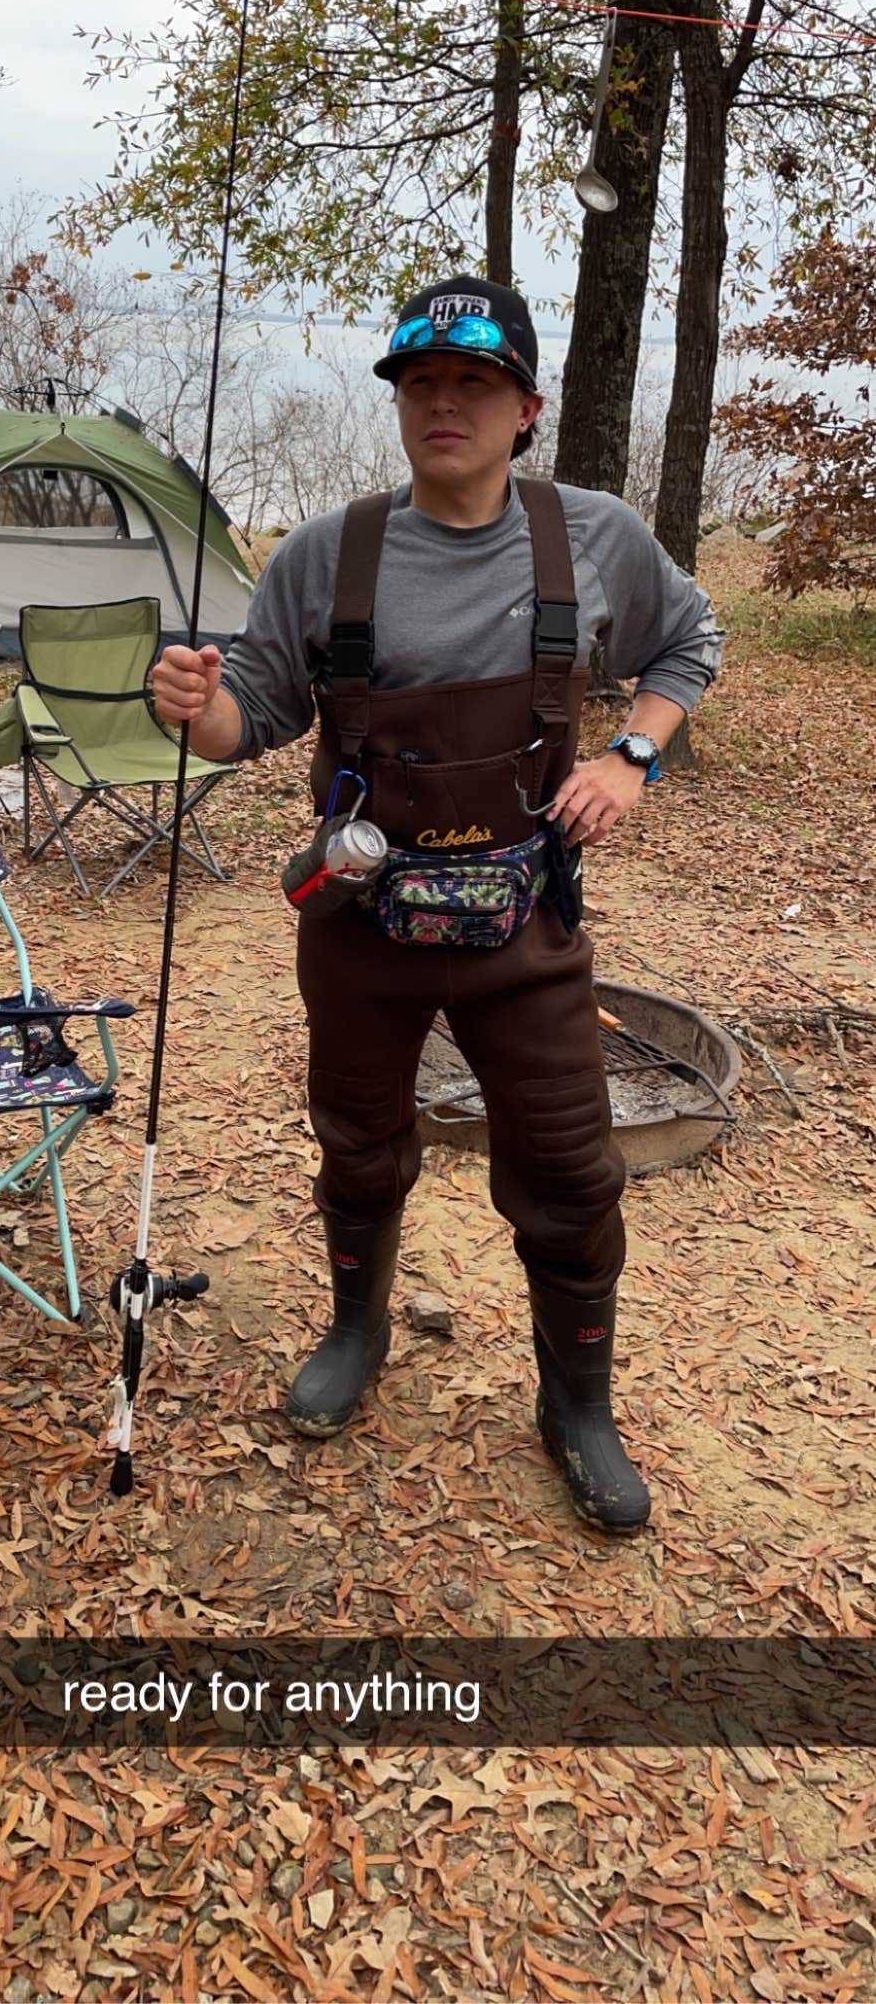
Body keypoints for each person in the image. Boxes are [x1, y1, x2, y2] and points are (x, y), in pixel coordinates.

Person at [150, 275, 724, 1535]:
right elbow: (250, 720)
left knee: (573, 1174)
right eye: (420, 383)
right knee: (357, 1144)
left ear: (526, 407)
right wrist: (193, 711)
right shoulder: (326, 555)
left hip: (526, 929)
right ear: (399, 404)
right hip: (360, 930)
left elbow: (691, 644)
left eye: (472, 382)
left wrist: (628, 759)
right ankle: (357, 1334)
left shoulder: (596, 538)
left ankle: (577, 1407)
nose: (442, 403)